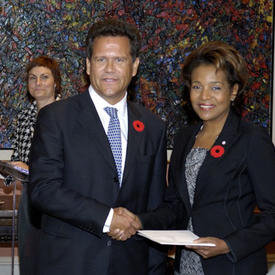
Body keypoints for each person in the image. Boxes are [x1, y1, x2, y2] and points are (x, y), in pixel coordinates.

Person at [29, 18, 167, 275]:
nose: (110, 69)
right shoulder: (56, 117)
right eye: (102, 60)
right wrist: (107, 218)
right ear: (88, 66)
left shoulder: (153, 127)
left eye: (120, 60)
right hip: (70, 263)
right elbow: (43, 189)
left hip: (131, 263)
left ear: (135, 66)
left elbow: (156, 203)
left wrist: (153, 261)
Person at [166, 41, 275, 275]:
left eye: (215, 87)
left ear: (233, 91)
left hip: (233, 265)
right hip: (186, 266)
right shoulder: (184, 138)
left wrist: (228, 245)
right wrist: (138, 221)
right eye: (197, 86)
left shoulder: (251, 139)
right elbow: (174, 204)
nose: (205, 96)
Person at [9, 55, 62, 275]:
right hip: (30, 199)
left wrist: (33, 168)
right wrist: (10, 171)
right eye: (32, 78)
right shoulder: (24, 116)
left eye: (44, 77)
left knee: (57, 261)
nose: (37, 83)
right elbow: (18, 155)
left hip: (60, 199)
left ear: (56, 82)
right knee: (30, 261)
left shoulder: (70, 114)